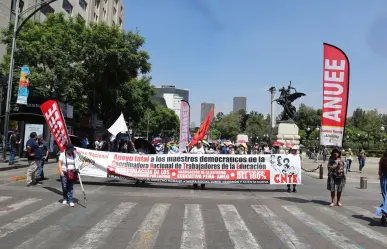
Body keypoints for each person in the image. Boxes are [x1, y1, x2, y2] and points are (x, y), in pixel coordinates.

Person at [377, 149, 387, 224]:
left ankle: (384, 214)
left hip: (383, 179)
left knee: (385, 196)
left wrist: (381, 177)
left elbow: (380, 172)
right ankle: (384, 212)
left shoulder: (382, 160)